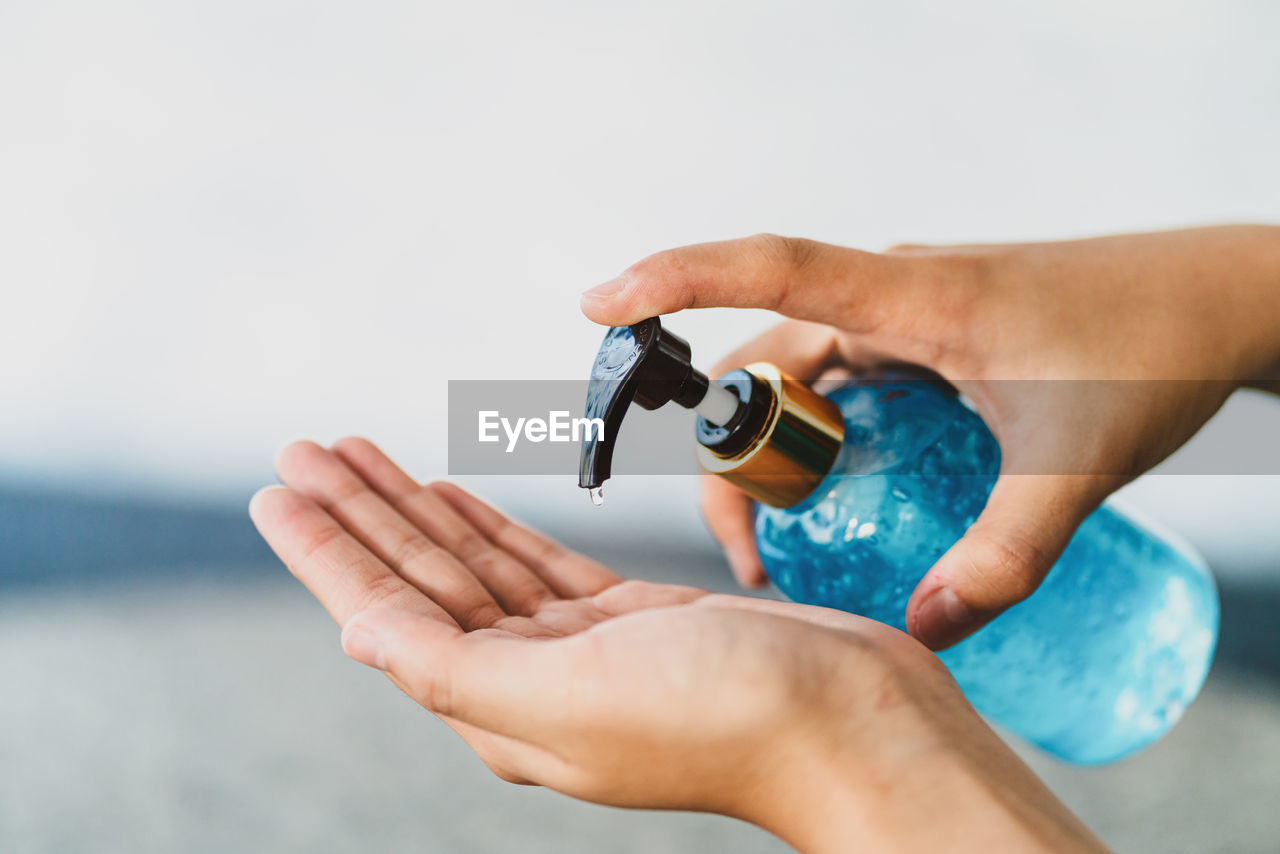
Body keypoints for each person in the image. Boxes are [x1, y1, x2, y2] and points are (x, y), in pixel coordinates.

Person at [251, 226, 1280, 852]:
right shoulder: (800, 548)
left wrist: (823, 743)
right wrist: (1239, 293)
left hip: (1169, 616)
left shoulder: (884, 412)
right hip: (1124, 681)